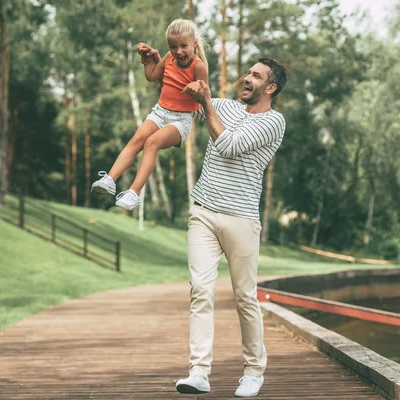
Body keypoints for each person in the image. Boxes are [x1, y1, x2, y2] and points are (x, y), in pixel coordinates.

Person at [173, 58, 287, 398]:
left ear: (271, 88)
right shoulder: (223, 106)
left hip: (241, 220)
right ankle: (199, 372)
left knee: (245, 297)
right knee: (201, 291)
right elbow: (179, 101)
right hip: (204, 214)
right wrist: (165, 65)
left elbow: (230, 144)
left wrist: (206, 103)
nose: (246, 78)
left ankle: (254, 371)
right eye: (248, 72)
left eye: (256, 76)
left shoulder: (274, 122)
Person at [90, 19, 208, 210]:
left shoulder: (198, 66)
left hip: (180, 120)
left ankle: (134, 193)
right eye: (173, 46)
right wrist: (148, 59)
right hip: (160, 111)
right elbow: (152, 76)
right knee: (137, 139)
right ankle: (110, 179)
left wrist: (197, 86)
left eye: (184, 46)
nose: (179, 51)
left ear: (194, 43)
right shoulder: (169, 57)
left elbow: (205, 95)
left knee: (151, 143)